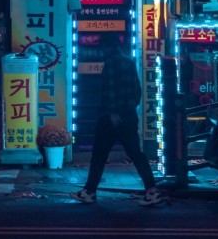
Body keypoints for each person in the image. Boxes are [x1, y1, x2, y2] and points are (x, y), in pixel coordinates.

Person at [70, 32, 164, 206]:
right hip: (128, 115)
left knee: (99, 155)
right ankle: (152, 190)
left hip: (111, 118)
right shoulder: (128, 61)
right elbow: (137, 91)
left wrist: (113, 113)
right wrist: (128, 109)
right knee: (136, 153)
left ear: (106, 46)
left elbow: (111, 91)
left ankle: (89, 191)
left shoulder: (111, 63)